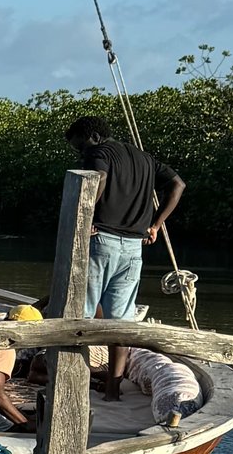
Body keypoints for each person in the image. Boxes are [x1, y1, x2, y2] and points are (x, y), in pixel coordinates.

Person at [65, 115, 186, 398]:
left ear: (93, 137)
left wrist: (84, 215)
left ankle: (72, 387)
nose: (81, 152)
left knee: (78, 319)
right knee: (120, 324)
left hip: (100, 241)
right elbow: (178, 185)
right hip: (134, 247)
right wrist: (156, 224)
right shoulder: (144, 158)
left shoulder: (99, 152)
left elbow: (101, 177)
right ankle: (112, 390)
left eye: (79, 147)